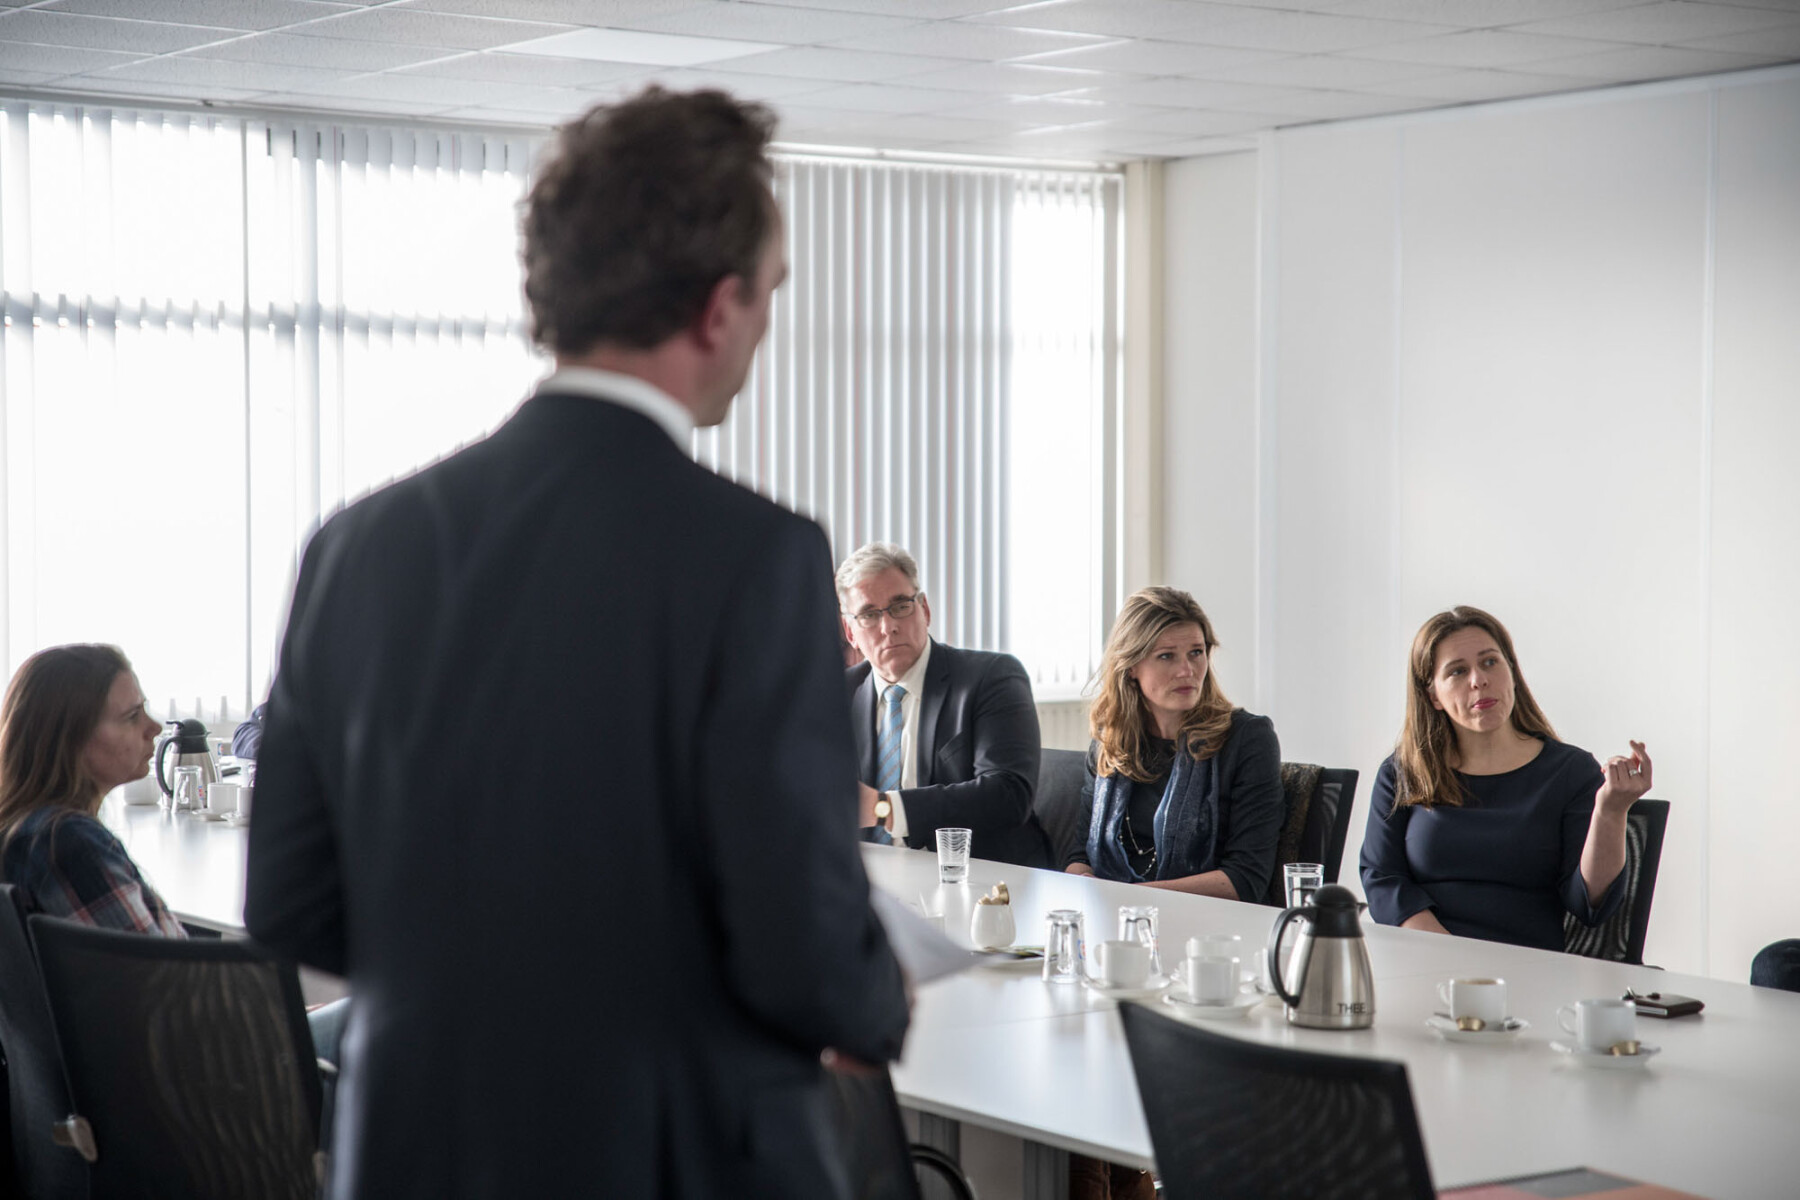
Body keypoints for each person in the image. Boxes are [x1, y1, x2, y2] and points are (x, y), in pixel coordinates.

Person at [244, 89, 909, 1200]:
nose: (765, 324)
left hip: (414, 1148)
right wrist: (874, 999)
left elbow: (291, 904)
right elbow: (799, 947)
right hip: (673, 1156)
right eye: (771, 292)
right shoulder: (753, 557)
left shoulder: (354, 547)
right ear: (720, 307)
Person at [0, 645, 345, 1063]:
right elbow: (168, 1003)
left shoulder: (26, 832)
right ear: (68, 738)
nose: (154, 727)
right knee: (377, 1019)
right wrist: (280, 1021)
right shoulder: (66, 846)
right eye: (131, 717)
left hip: (165, 1069)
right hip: (211, 1077)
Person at [1360, 605, 1651, 950]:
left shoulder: (1571, 771)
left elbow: (1589, 906)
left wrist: (1611, 811)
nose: (1478, 680)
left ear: (1512, 671)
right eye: (1457, 671)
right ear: (1433, 695)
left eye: (1489, 662)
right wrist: (1450, 954)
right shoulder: (1403, 771)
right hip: (1427, 957)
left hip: (1526, 966)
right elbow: (1382, 879)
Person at [839, 541, 1052, 869]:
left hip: (983, 878)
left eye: (900, 606)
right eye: (869, 615)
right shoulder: (839, 693)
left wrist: (886, 809)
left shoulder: (991, 677)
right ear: (851, 632)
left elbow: (1008, 794)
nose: (888, 626)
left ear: (924, 610)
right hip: (874, 877)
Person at [1065, 587, 1283, 901]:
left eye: (1196, 652)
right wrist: (1088, 889)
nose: (1187, 671)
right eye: (1166, 656)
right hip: (1115, 915)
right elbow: (1080, 856)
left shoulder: (1248, 738)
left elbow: (1245, 879)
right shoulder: (1110, 741)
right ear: (1131, 667)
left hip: (1206, 923)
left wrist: (1128, 899)